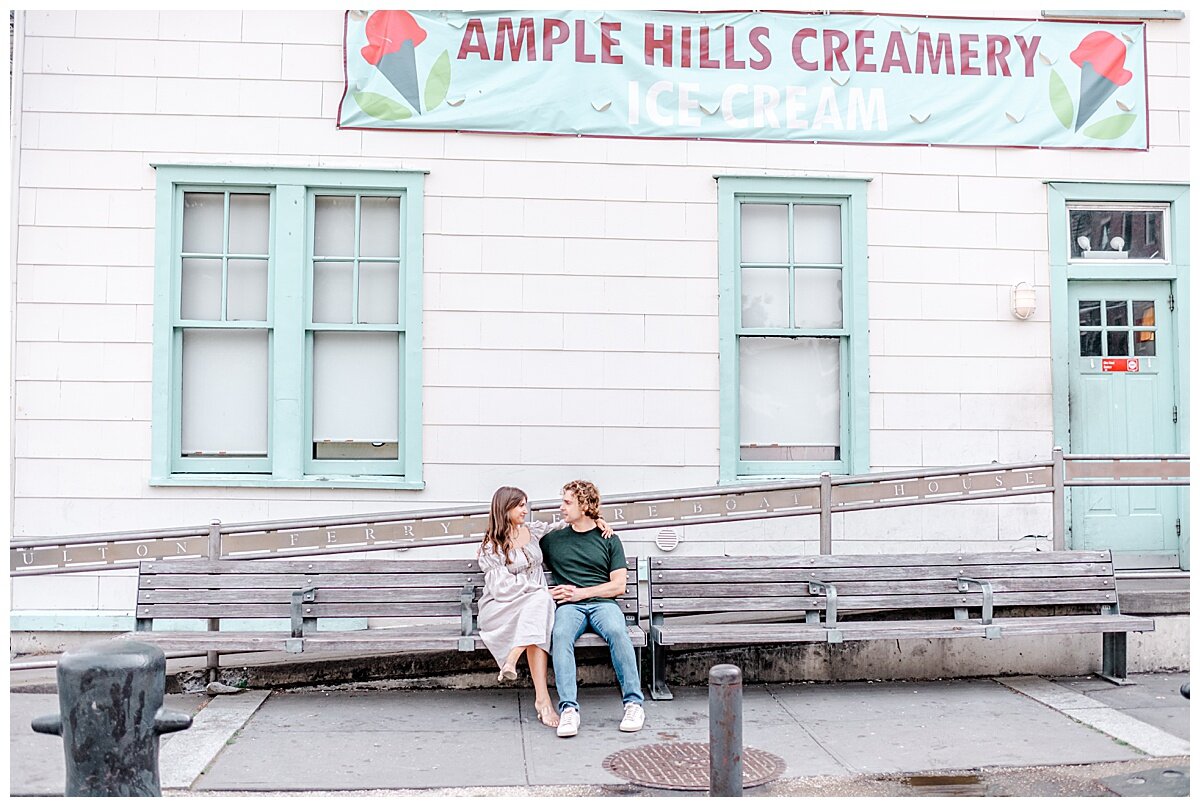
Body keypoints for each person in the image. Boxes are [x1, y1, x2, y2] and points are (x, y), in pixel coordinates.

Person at [475, 486, 612, 730]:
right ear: (504, 508)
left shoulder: (534, 531)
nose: (525, 511)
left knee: (539, 605)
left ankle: (514, 661)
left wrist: (597, 520)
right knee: (540, 601)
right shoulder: (491, 546)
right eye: (520, 506)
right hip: (503, 606)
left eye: (526, 505)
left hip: (534, 604)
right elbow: (501, 587)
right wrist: (539, 590)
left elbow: (565, 524)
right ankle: (543, 699)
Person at [541, 479, 646, 738]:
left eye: (567, 502)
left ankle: (634, 704)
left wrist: (582, 593)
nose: (561, 507)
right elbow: (523, 553)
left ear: (585, 505)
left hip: (601, 603)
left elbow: (618, 585)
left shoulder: (609, 539)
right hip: (569, 607)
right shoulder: (552, 540)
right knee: (561, 634)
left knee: (617, 631)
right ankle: (569, 710)